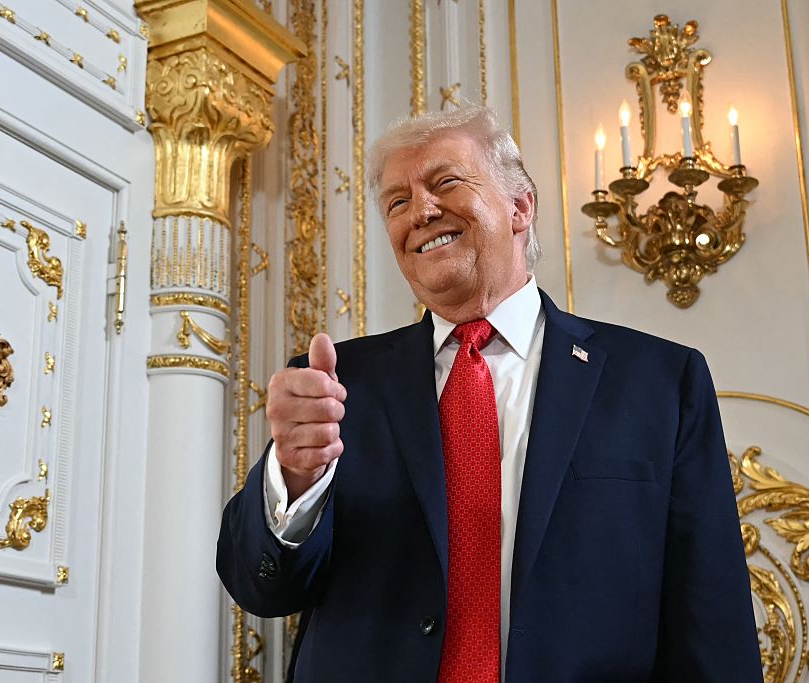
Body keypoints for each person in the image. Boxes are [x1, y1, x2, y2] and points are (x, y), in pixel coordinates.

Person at [217, 106, 763, 682]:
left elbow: (711, 614)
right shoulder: (334, 388)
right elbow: (261, 587)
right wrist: (294, 477)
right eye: (397, 203)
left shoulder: (659, 381)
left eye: (446, 182)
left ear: (520, 206)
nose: (421, 211)